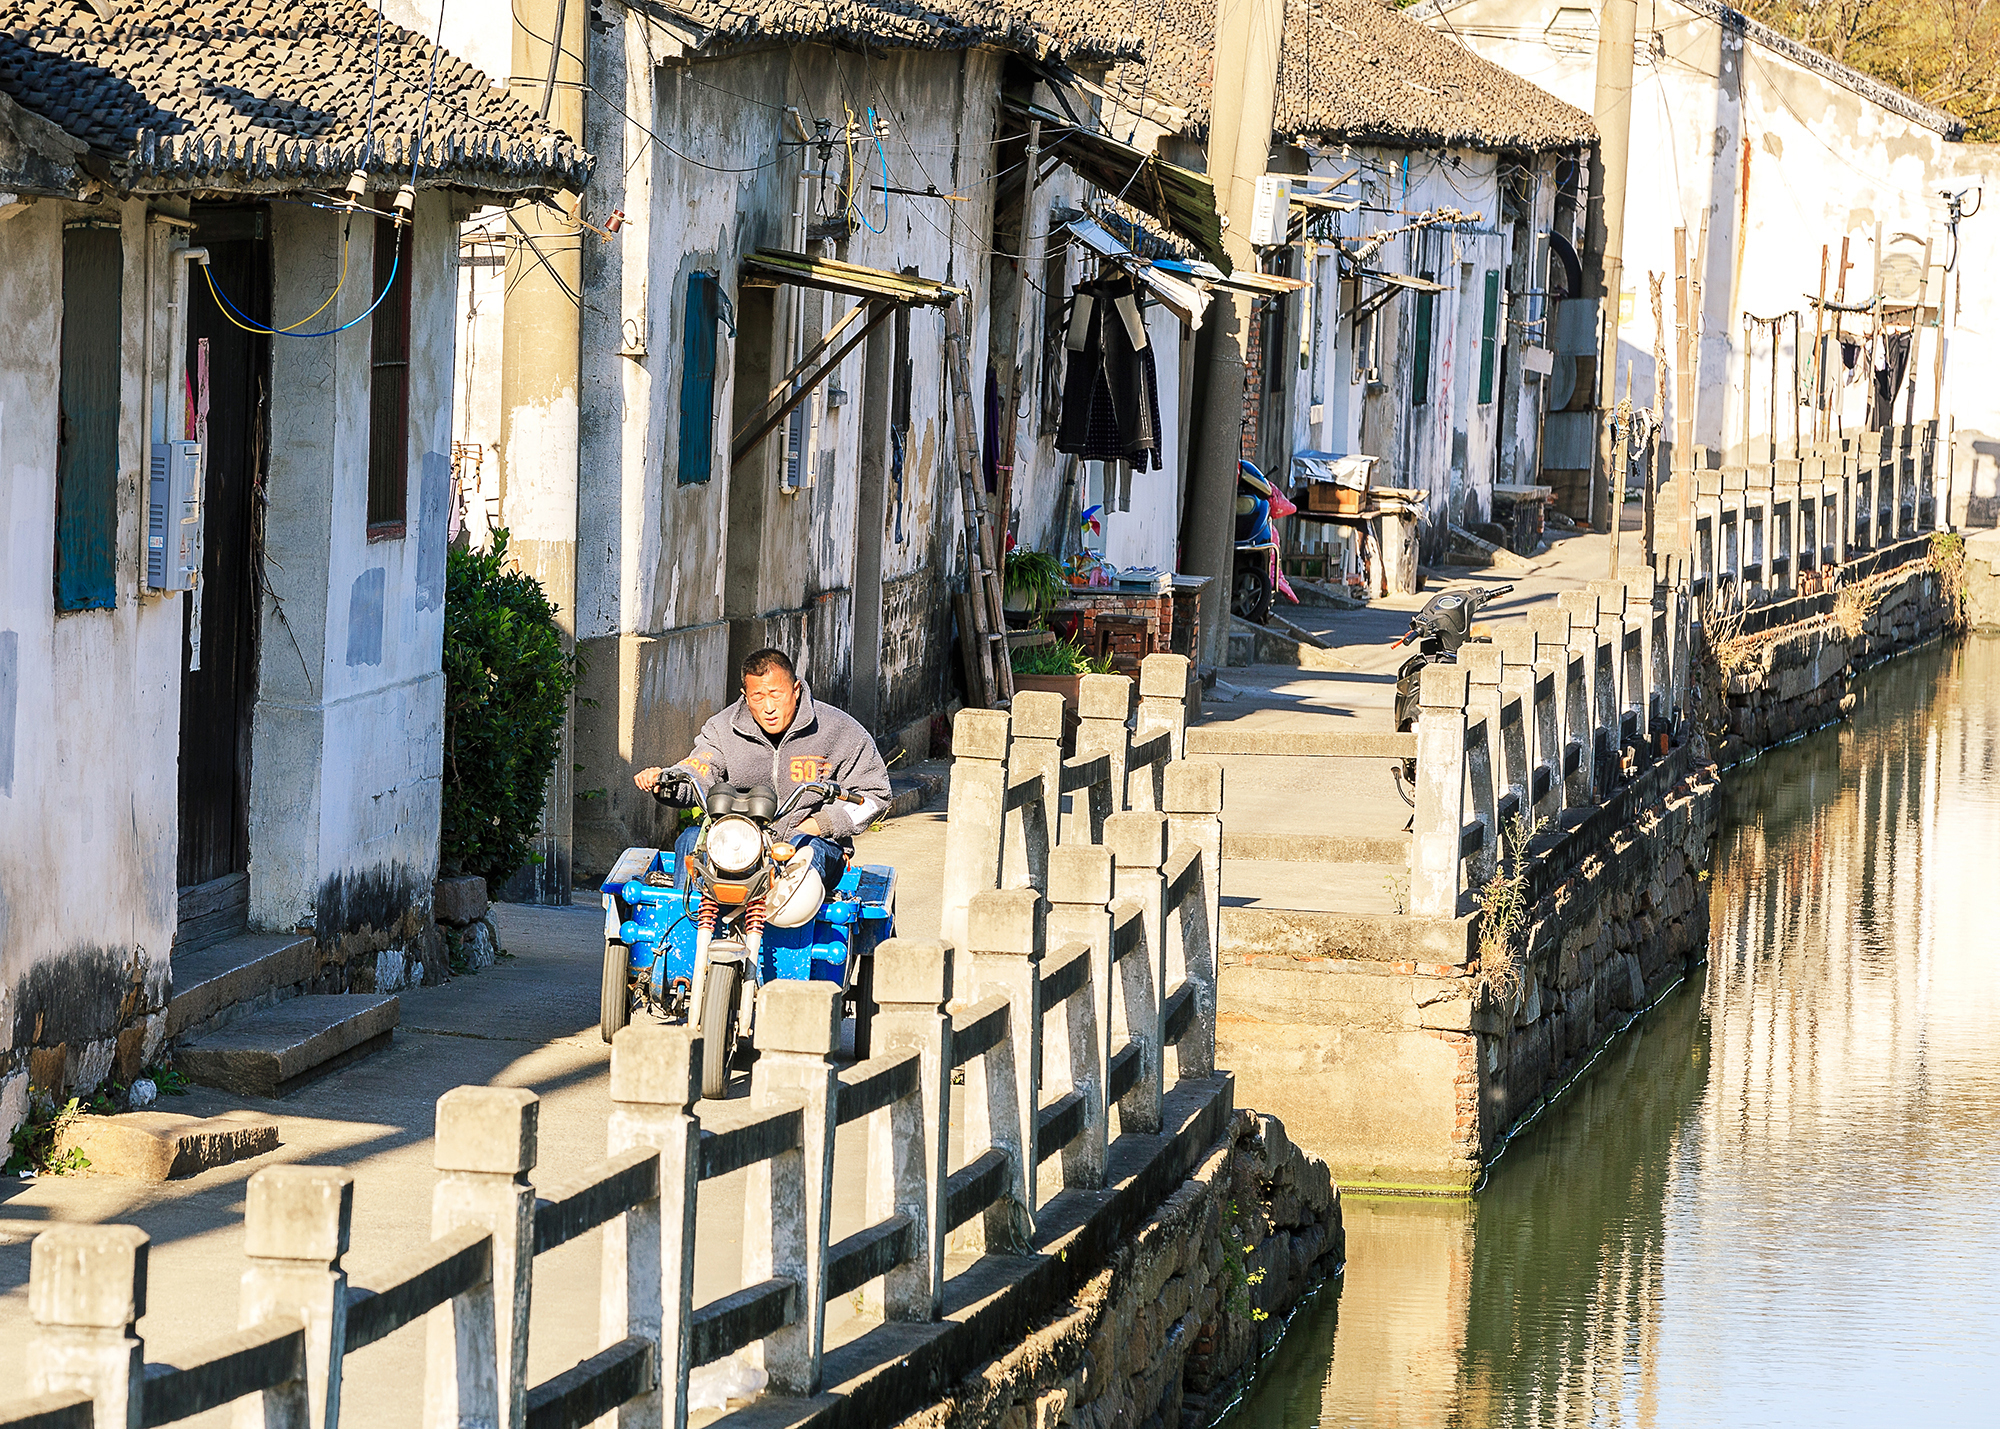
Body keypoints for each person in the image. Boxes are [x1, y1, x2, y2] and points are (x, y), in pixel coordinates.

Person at [632, 648, 892, 898]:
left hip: (813, 845)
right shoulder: (722, 729)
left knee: (808, 851)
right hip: (737, 844)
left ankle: (790, 936)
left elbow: (876, 795)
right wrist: (667, 782)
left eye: (776, 695)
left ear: (796, 690)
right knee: (690, 839)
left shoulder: (841, 731)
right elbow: (699, 769)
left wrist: (818, 826)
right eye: (758, 697)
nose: (768, 707)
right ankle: (684, 931)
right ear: (745, 695)